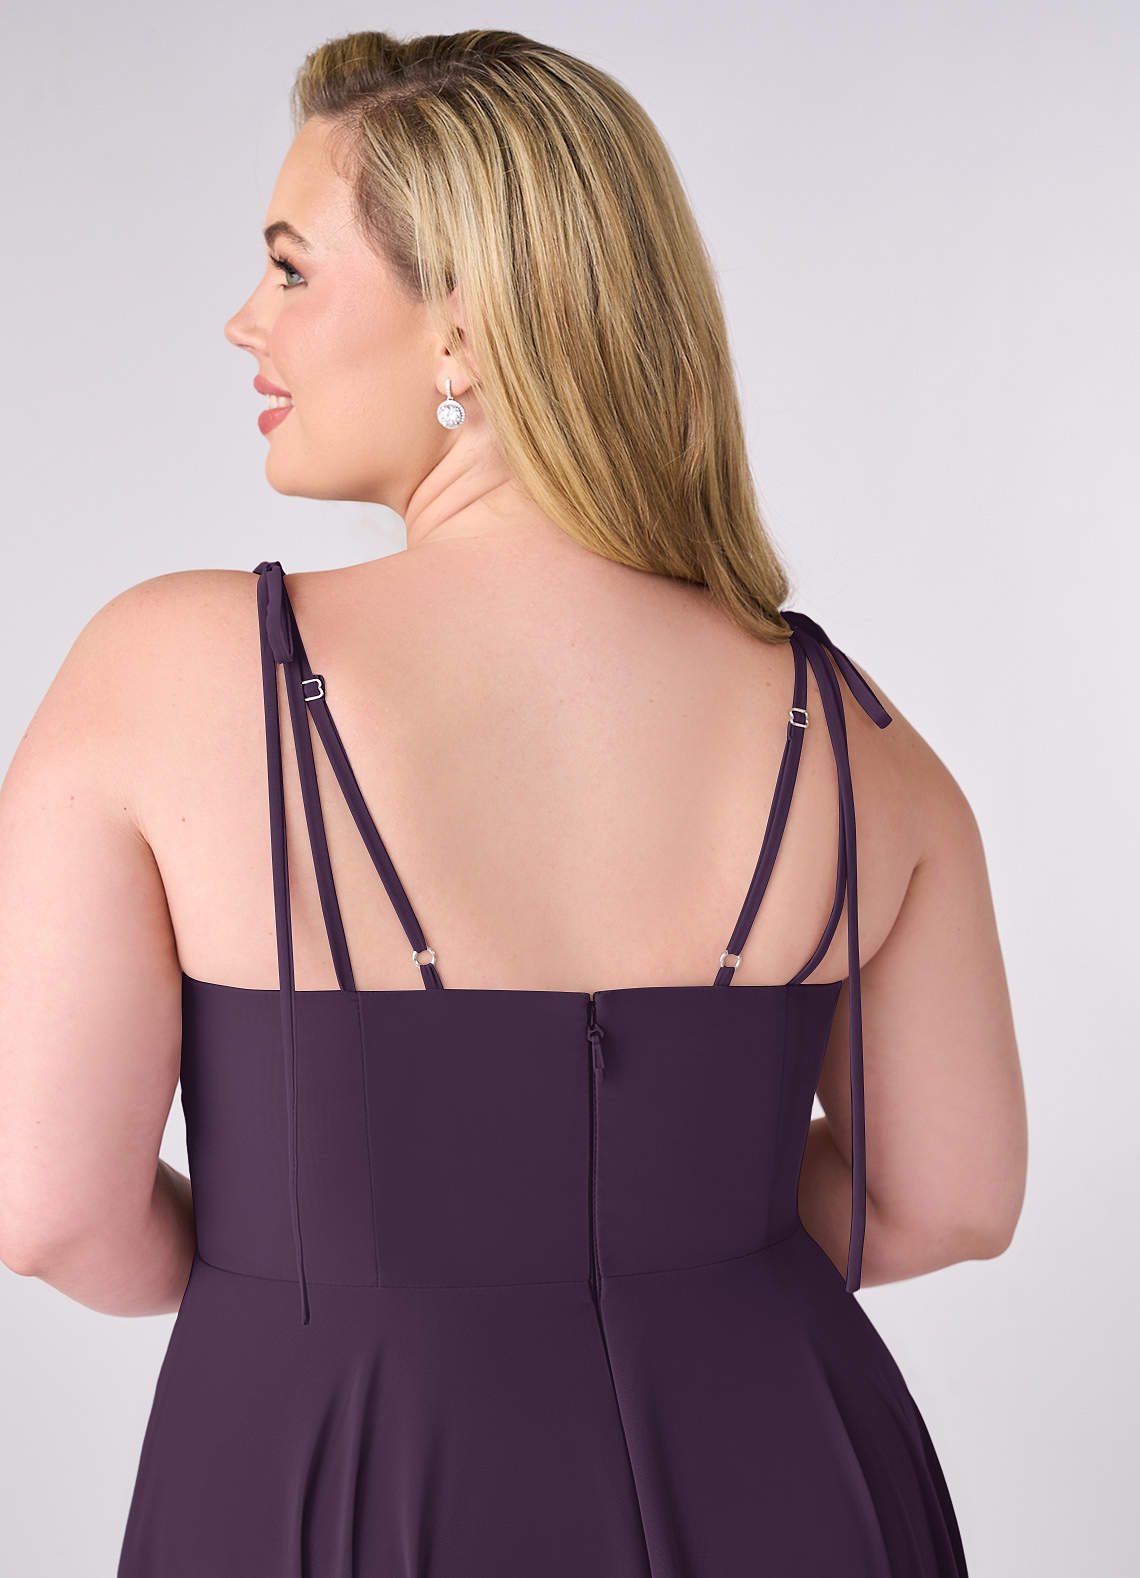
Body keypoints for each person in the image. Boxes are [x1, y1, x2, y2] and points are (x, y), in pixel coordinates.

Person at [0, 27, 1025, 1577]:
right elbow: (953, 1198)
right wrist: (675, 1249)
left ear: (463, 328)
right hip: (795, 1477)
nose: (243, 318)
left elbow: (50, 1211)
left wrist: (314, 1263)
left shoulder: (168, 672)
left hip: (336, 1463)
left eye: (289, 267)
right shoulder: (855, 733)